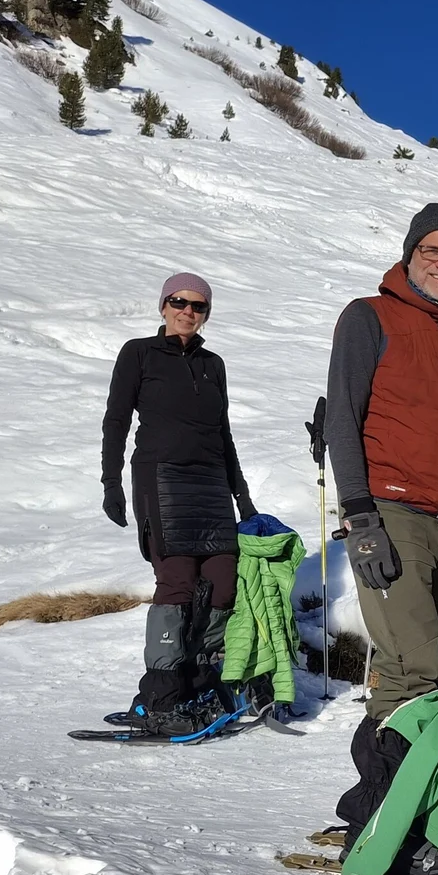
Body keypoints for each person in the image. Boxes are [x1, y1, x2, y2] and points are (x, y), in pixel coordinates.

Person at [324, 202, 438, 728]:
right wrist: (360, 517)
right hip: (389, 511)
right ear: (410, 254)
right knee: (411, 667)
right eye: (432, 251)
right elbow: (341, 421)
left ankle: (424, 797)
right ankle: (390, 798)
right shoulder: (369, 316)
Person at [100, 272, 257, 735]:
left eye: (198, 306)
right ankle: (162, 692)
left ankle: (200, 682)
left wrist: (242, 497)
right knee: (177, 584)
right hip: (161, 481)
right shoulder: (139, 353)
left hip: (210, 485)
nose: (188, 311)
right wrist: (112, 482)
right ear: (163, 306)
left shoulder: (213, 364)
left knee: (222, 583)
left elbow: (223, 434)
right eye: (179, 302)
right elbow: (115, 420)